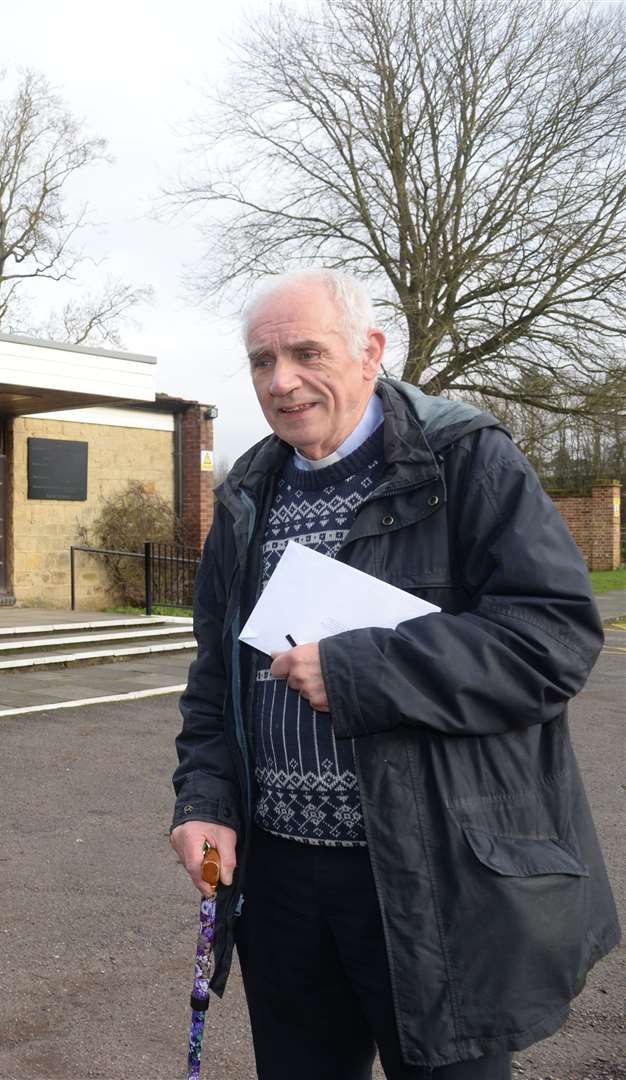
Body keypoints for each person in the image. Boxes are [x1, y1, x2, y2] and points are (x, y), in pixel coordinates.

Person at [169, 269, 618, 1079]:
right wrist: (204, 800)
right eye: (262, 360)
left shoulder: (465, 461)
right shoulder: (246, 494)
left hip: (434, 878)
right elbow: (214, 680)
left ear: (371, 351)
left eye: (307, 352)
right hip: (282, 887)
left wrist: (362, 671)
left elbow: (552, 639)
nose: (281, 381)